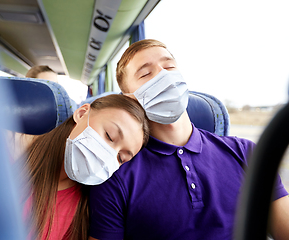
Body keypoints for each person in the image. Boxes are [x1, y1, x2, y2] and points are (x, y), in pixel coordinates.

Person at [88, 39, 289, 240]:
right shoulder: (116, 177)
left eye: (169, 67)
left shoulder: (245, 152)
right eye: (146, 73)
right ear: (129, 98)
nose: (164, 75)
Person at [22, 94, 150, 240]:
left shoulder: (88, 207)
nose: (108, 155)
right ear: (82, 114)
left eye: (121, 158)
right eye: (109, 136)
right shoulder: (10, 149)